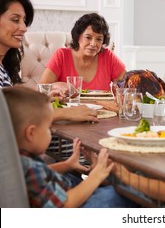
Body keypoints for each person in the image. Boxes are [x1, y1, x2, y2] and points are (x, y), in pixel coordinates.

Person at [3, 86, 137, 208]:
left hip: (55, 196)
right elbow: (65, 204)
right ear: (31, 133)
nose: (50, 132)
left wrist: (67, 164)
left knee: (72, 178)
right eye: (48, 128)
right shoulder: (31, 167)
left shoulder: (16, 159)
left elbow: (42, 173)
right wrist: (96, 176)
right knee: (114, 195)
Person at [0, 0, 98, 123]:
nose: (24, 28)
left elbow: (8, 108)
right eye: (15, 20)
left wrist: (43, 99)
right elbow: (7, 119)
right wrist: (63, 113)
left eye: (24, 21)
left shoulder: (3, 67)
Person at [39, 12, 126, 92]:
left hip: (102, 109)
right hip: (68, 108)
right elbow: (42, 88)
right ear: (78, 37)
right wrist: (58, 85)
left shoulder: (107, 56)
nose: (93, 44)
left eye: (99, 39)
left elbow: (127, 84)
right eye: (88, 37)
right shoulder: (62, 55)